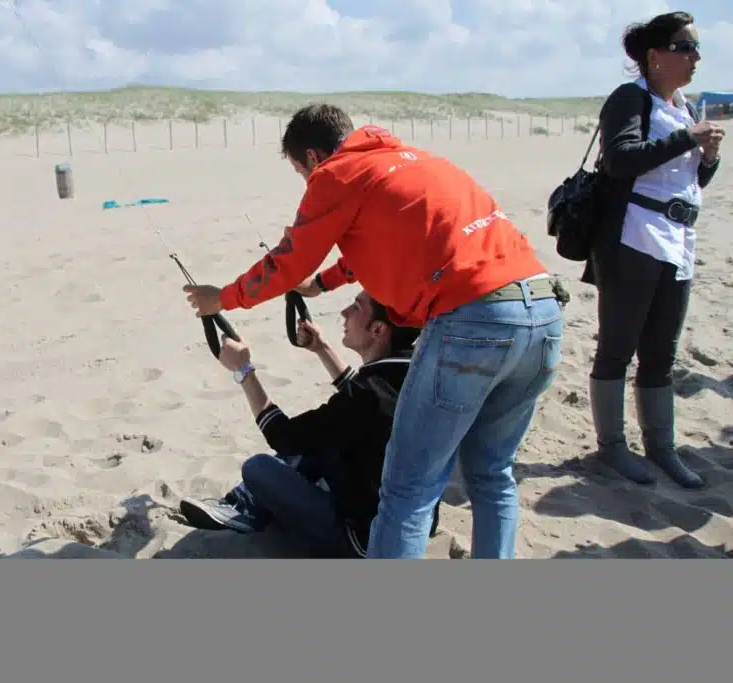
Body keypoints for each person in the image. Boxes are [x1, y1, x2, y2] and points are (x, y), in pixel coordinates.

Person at [182, 103, 564, 559]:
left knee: (407, 491)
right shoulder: (418, 163)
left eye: (300, 172)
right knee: (491, 474)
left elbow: (287, 262)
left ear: (311, 157)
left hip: (473, 318)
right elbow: (380, 245)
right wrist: (322, 284)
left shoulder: (336, 174)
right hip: (542, 310)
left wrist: (221, 299)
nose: (306, 182)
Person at [179, 290, 440, 558]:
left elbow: (282, 435)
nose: (344, 312)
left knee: (258, 467)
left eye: (356, 307)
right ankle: (250, 503)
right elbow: (362, 399)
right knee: (325, 441)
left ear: (378, 330)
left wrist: (243, 370)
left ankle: (246, 506)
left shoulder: (365, 398)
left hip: (363, 544)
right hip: (414, 528)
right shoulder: (415, 374)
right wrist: (322, 348)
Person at [580, 12, 722, 490]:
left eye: (696, 48)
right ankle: (612, 447)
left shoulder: (684, 106)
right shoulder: (630, 98)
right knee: (617, 347)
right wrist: (687, 138)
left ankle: (661, 447)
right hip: (632, 239)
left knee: (662, 351)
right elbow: (620, 161)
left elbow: (689, 181)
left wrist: (708, 158)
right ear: (655, 56)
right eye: (686, 47)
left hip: (678, 240)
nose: (695, 57)